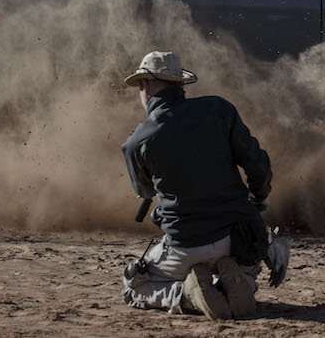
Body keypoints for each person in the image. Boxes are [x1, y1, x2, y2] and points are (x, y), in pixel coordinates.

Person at [120, 50, 287, 320]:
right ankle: (242, 279)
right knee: (243, 257)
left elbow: (146, 191)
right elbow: (259, 166)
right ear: (181, 84)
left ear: (146, 86)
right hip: (239, 237)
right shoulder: (219, 109)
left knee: (133, 287)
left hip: (188, 242)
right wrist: (257, 200)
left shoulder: (137, 142)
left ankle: (186, 296)